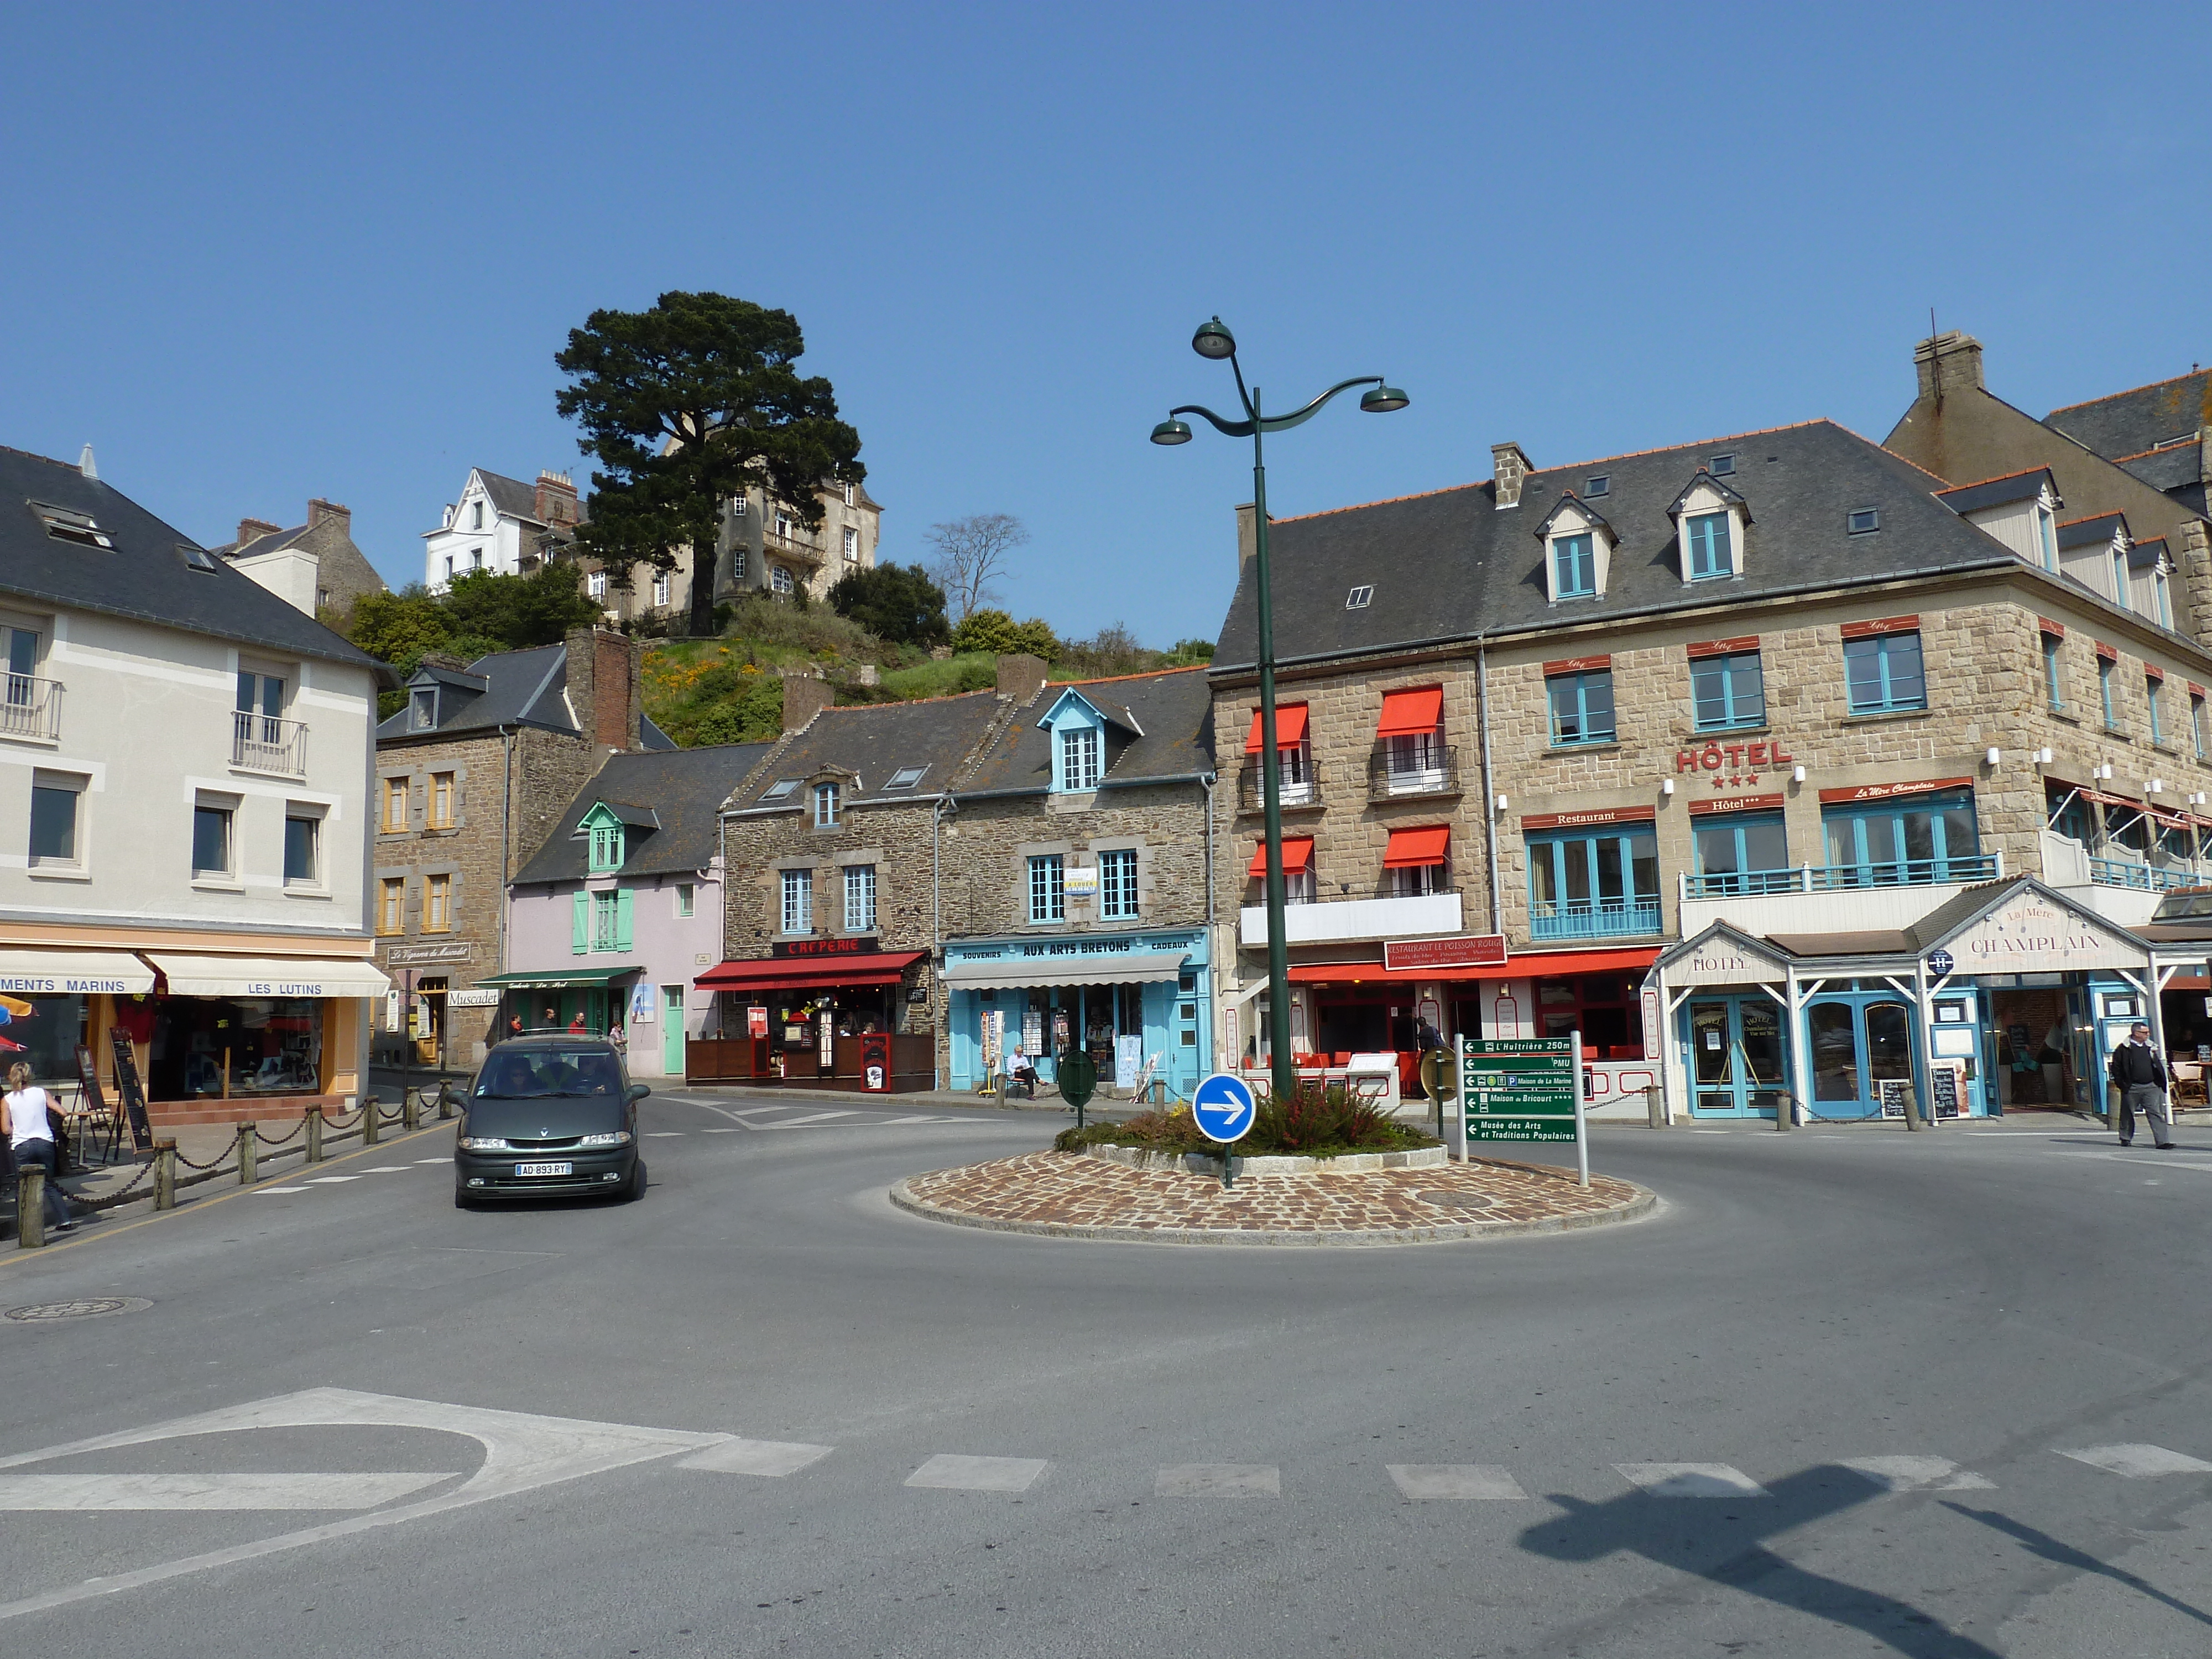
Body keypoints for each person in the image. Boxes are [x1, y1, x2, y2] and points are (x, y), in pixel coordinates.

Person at [3, 1061, 76, 1234]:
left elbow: (5, 1129)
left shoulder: (7, 1100)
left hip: (22, 1145)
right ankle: (64, 1219)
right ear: (30, 1075)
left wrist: (20, 1128)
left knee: (23, 1186)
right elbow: (63, 1112)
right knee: (49, 1184)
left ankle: (25, 1224)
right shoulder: (42, 1093)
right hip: (45, 1142)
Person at [2108, 1022, 2175, 1149]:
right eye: (2145, 1033)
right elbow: (2116, 1068)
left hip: (2151, 1086)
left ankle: (2162, 1141)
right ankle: (2126, 1138)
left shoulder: (2150, 1047)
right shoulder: (2123, 1049)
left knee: (2156, 1113)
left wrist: (2160, 1082)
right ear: (2136, 1033)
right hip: (2132, 1086)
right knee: (2128, 1113)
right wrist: (2122, 1084)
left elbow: (2156, 1064)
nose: (2147, 1035)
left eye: (2148, 1032)